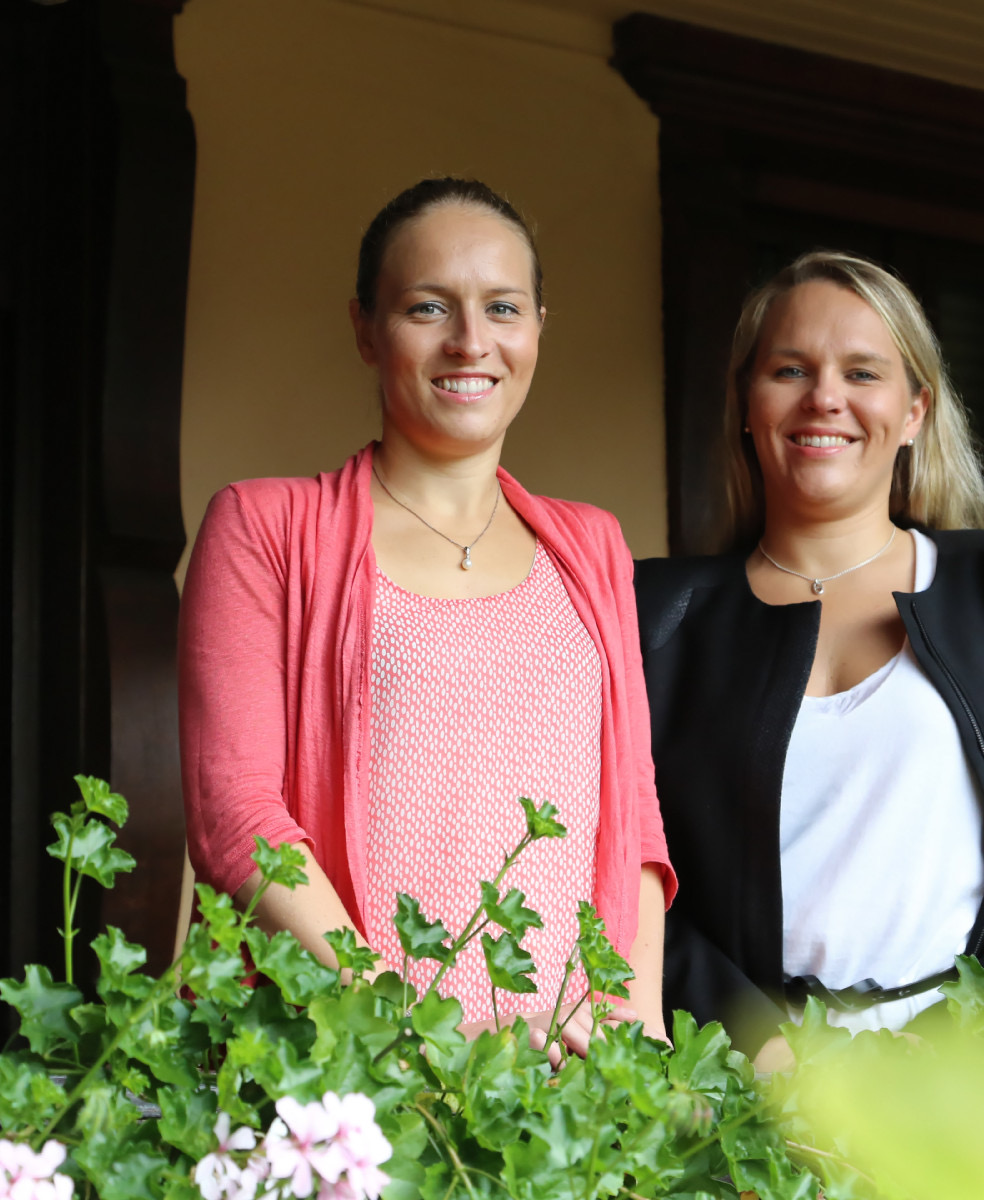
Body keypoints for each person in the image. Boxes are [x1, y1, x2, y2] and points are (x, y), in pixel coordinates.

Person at [179, 178, 674, 1058]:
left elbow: (633, 813)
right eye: (428, 307)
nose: (471, 341)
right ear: (366, 329)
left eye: (503, 307)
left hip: (566, 1077)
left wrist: (636, 1034)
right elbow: (237, 818)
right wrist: (408, 1033)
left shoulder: (592, 546)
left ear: (538, 328)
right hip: (348, 1068)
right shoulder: (264, 528)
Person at [636, 250, 984, 1067]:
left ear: (915, 411)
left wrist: (970, 1033)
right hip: (739, 1083)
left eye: (862, 372)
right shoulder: (656, 616)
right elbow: (623, 862)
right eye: (790, 369)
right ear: (746, 403)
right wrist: (761, 1052)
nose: (824, 397)